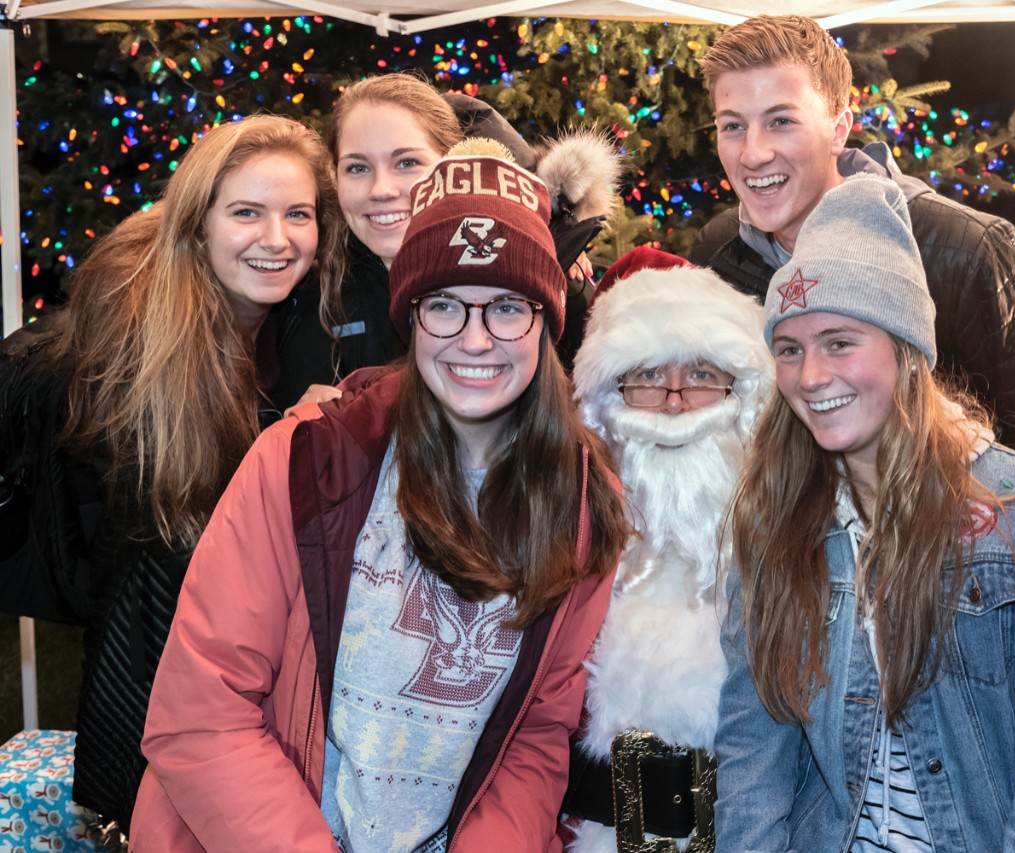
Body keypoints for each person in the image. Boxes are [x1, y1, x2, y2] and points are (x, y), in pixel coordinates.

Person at [130, 138, 630, 853]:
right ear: (409, 315)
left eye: (507, 308)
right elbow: (202, 710)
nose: (477, 339)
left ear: (545, 321)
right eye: (445, 306)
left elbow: (535, 736)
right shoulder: (307, 461)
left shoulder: (581, 501)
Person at [715, 174, 1015, 852]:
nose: (811, 376)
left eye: (840, 342)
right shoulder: (774, 521)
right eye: (790, 348)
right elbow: (753, 750)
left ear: (907, 353)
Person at [0, 114, 344, 837]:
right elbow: (172, 562)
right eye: (246, 212)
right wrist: (280, 436)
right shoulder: (143, 342)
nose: (277, 239)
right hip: (144, 676)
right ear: (198, 221)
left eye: (298, 214)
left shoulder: (290, 319)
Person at [690, 14, 1015, 526]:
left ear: (838, 129)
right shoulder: (720, 255)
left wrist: (967, 573)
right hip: (794, 588)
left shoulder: (963, 252)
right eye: (732, 126)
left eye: (781, 120)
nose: (753, 153)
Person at [560, 247, 773, 853]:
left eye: (702, 376)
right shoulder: (563, 541)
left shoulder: (791, 540)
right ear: (605, 402)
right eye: (648, 377)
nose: (676, 402)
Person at [276, 73, 618, 408]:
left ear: (456, 164)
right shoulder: (315, 302)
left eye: (407, 162)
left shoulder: (550, 286)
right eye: (357, 168)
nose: (381, 190)